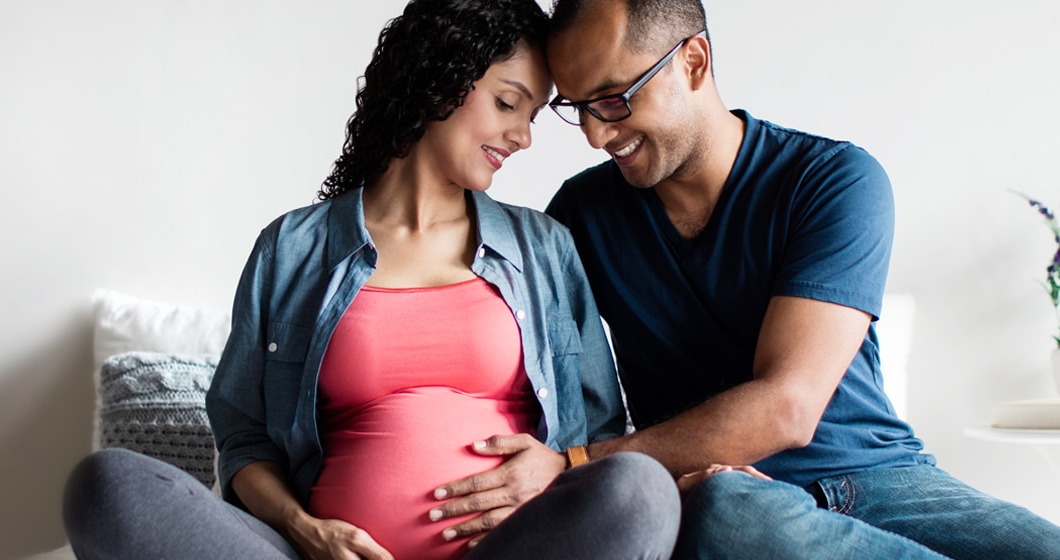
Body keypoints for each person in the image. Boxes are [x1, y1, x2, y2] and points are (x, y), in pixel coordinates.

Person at [63, 1, 681, 559]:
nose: (522, 137)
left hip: (508, 550)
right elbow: (244, 438)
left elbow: (600, 438)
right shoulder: (294, 248)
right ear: (440, 80)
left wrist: (559, 466)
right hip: (314, 553)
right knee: (108, 485)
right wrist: (308, 530)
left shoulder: (543, 247)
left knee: (642, 491)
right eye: (507, 102)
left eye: (532, 116)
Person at [529, 0, 1060, 558]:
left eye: (613, 100)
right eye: (575, 107)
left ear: (694, 61)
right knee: (727, 510)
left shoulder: (833, 180)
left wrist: (582, 463)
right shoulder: (578, 218)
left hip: (886, 483)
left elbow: (789, 405)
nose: (595, 135)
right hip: (727, 499)